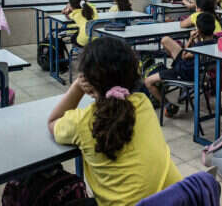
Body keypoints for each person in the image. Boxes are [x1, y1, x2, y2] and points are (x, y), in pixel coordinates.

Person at [48, 37, 182, 205]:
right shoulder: (143, 103)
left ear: (88, 81)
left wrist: (77, 86)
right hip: (175, 199)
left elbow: (53, 121)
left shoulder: (83, 122)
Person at [145, 13, 217, 117]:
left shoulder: (199, 47)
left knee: (148, 81)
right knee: (165, 40)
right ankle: (172, 70)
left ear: (199, 30)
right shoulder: (215, 42)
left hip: (184, 72)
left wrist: (191, 39)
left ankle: (167, 105)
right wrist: (196, 41)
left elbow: (184, 55)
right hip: (195, 69)